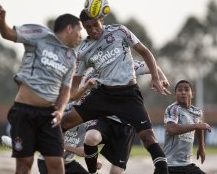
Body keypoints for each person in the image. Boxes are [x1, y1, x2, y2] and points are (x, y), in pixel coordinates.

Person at [61, 9, 170, 174]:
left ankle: (162, 169)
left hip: (128, 96)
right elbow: (74, 87)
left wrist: (157, 77)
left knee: (148, 137)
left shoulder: (119, 31)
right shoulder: (83, 50)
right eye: (87, 27)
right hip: (103, 96)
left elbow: (145, 53)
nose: (92, 30)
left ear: (102, 21)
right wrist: (64, 100)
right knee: (64, 123)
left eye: (95, 25)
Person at [0, 5, 82, 174]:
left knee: (57, 165)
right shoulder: (40, 34)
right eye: (79, 31)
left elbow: (65, 90)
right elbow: (8, 34)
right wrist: (2, 21)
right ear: (69, 28)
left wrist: (61, 110)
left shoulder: (71, 57)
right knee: (25, 164)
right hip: (24, 112)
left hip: (49, 115)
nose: (81, 36)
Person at [81, 60, 170, 174]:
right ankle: (93, 172)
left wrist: (161, 78)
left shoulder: (126, 64)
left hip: (126, 124)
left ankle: (162, 168)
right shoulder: (91, 76)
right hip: (103, 119)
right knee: (91, 137)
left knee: (116, 172)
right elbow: (80, 95)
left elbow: (153, 66)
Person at [163, 80, 212, 174]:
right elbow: (171, 129)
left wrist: (201, 146)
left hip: (187, 165)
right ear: (175, 94)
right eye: (180, 90)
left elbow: (198, 128)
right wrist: (196, 125)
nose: (183, 92)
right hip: (170, 165)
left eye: (186, 90)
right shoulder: (173, 109)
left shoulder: (195, 112)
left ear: (192, 94)